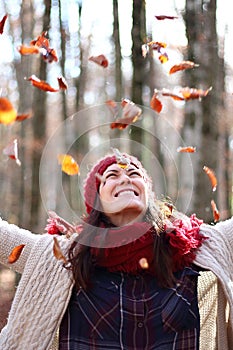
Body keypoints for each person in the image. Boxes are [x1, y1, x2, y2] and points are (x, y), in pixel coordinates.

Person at [0, 148, 232, 350]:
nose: (126, 179)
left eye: (134, 173)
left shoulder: (194, 246)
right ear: (97, 200)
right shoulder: (61, 256)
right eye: (112, 175)